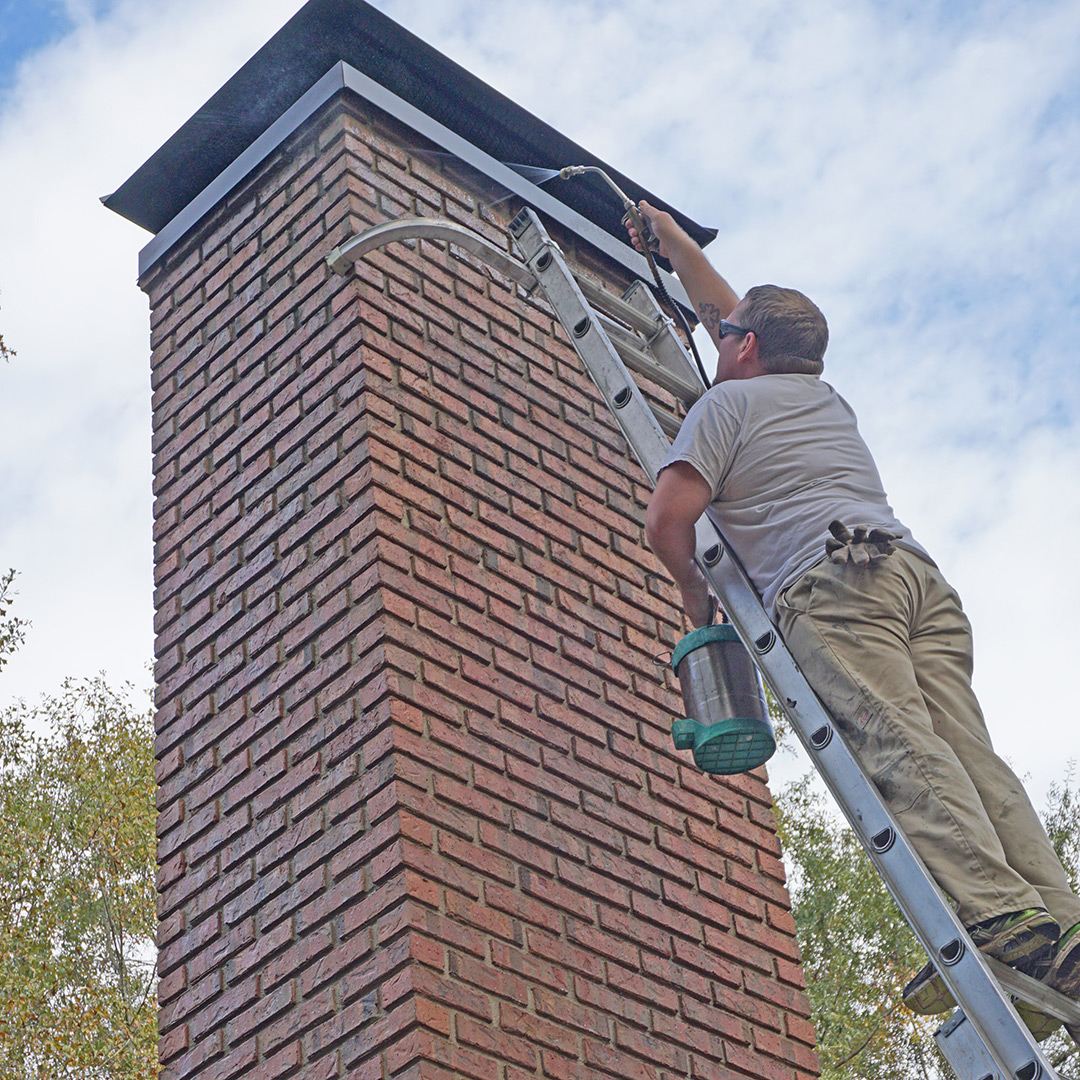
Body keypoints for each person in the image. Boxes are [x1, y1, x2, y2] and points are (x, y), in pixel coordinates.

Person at [626, 201, 1080, 1015]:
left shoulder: (725, 408)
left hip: (833, 588)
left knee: (902, 747)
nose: (715, 334)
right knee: (970, 754)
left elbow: (667, 523)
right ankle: (1064, 926)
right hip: (914, 579)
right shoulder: (823, 400)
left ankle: (1006, 923)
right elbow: (730, 312)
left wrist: (699, 611)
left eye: (726, 334)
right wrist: (671, 238)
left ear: (748, 347)